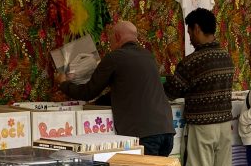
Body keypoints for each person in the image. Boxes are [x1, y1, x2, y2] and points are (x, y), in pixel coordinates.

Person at [55, 20, 174, 156]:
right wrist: (98, 103)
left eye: (110, 39)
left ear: (117, 37)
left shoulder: (115, 58)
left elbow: (87, 92)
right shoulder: (148, 56)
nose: (110, 44)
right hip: (167, 130)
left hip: (144, 134)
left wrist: (63, 83)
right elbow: (126, 92)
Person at [164, 8, 234, 166]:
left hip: (202, 128)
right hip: (224, 126)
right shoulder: (226, 57)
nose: (189, 37)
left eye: (189, 32)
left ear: (196, 28)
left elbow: (171, 91)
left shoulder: (192, 62)